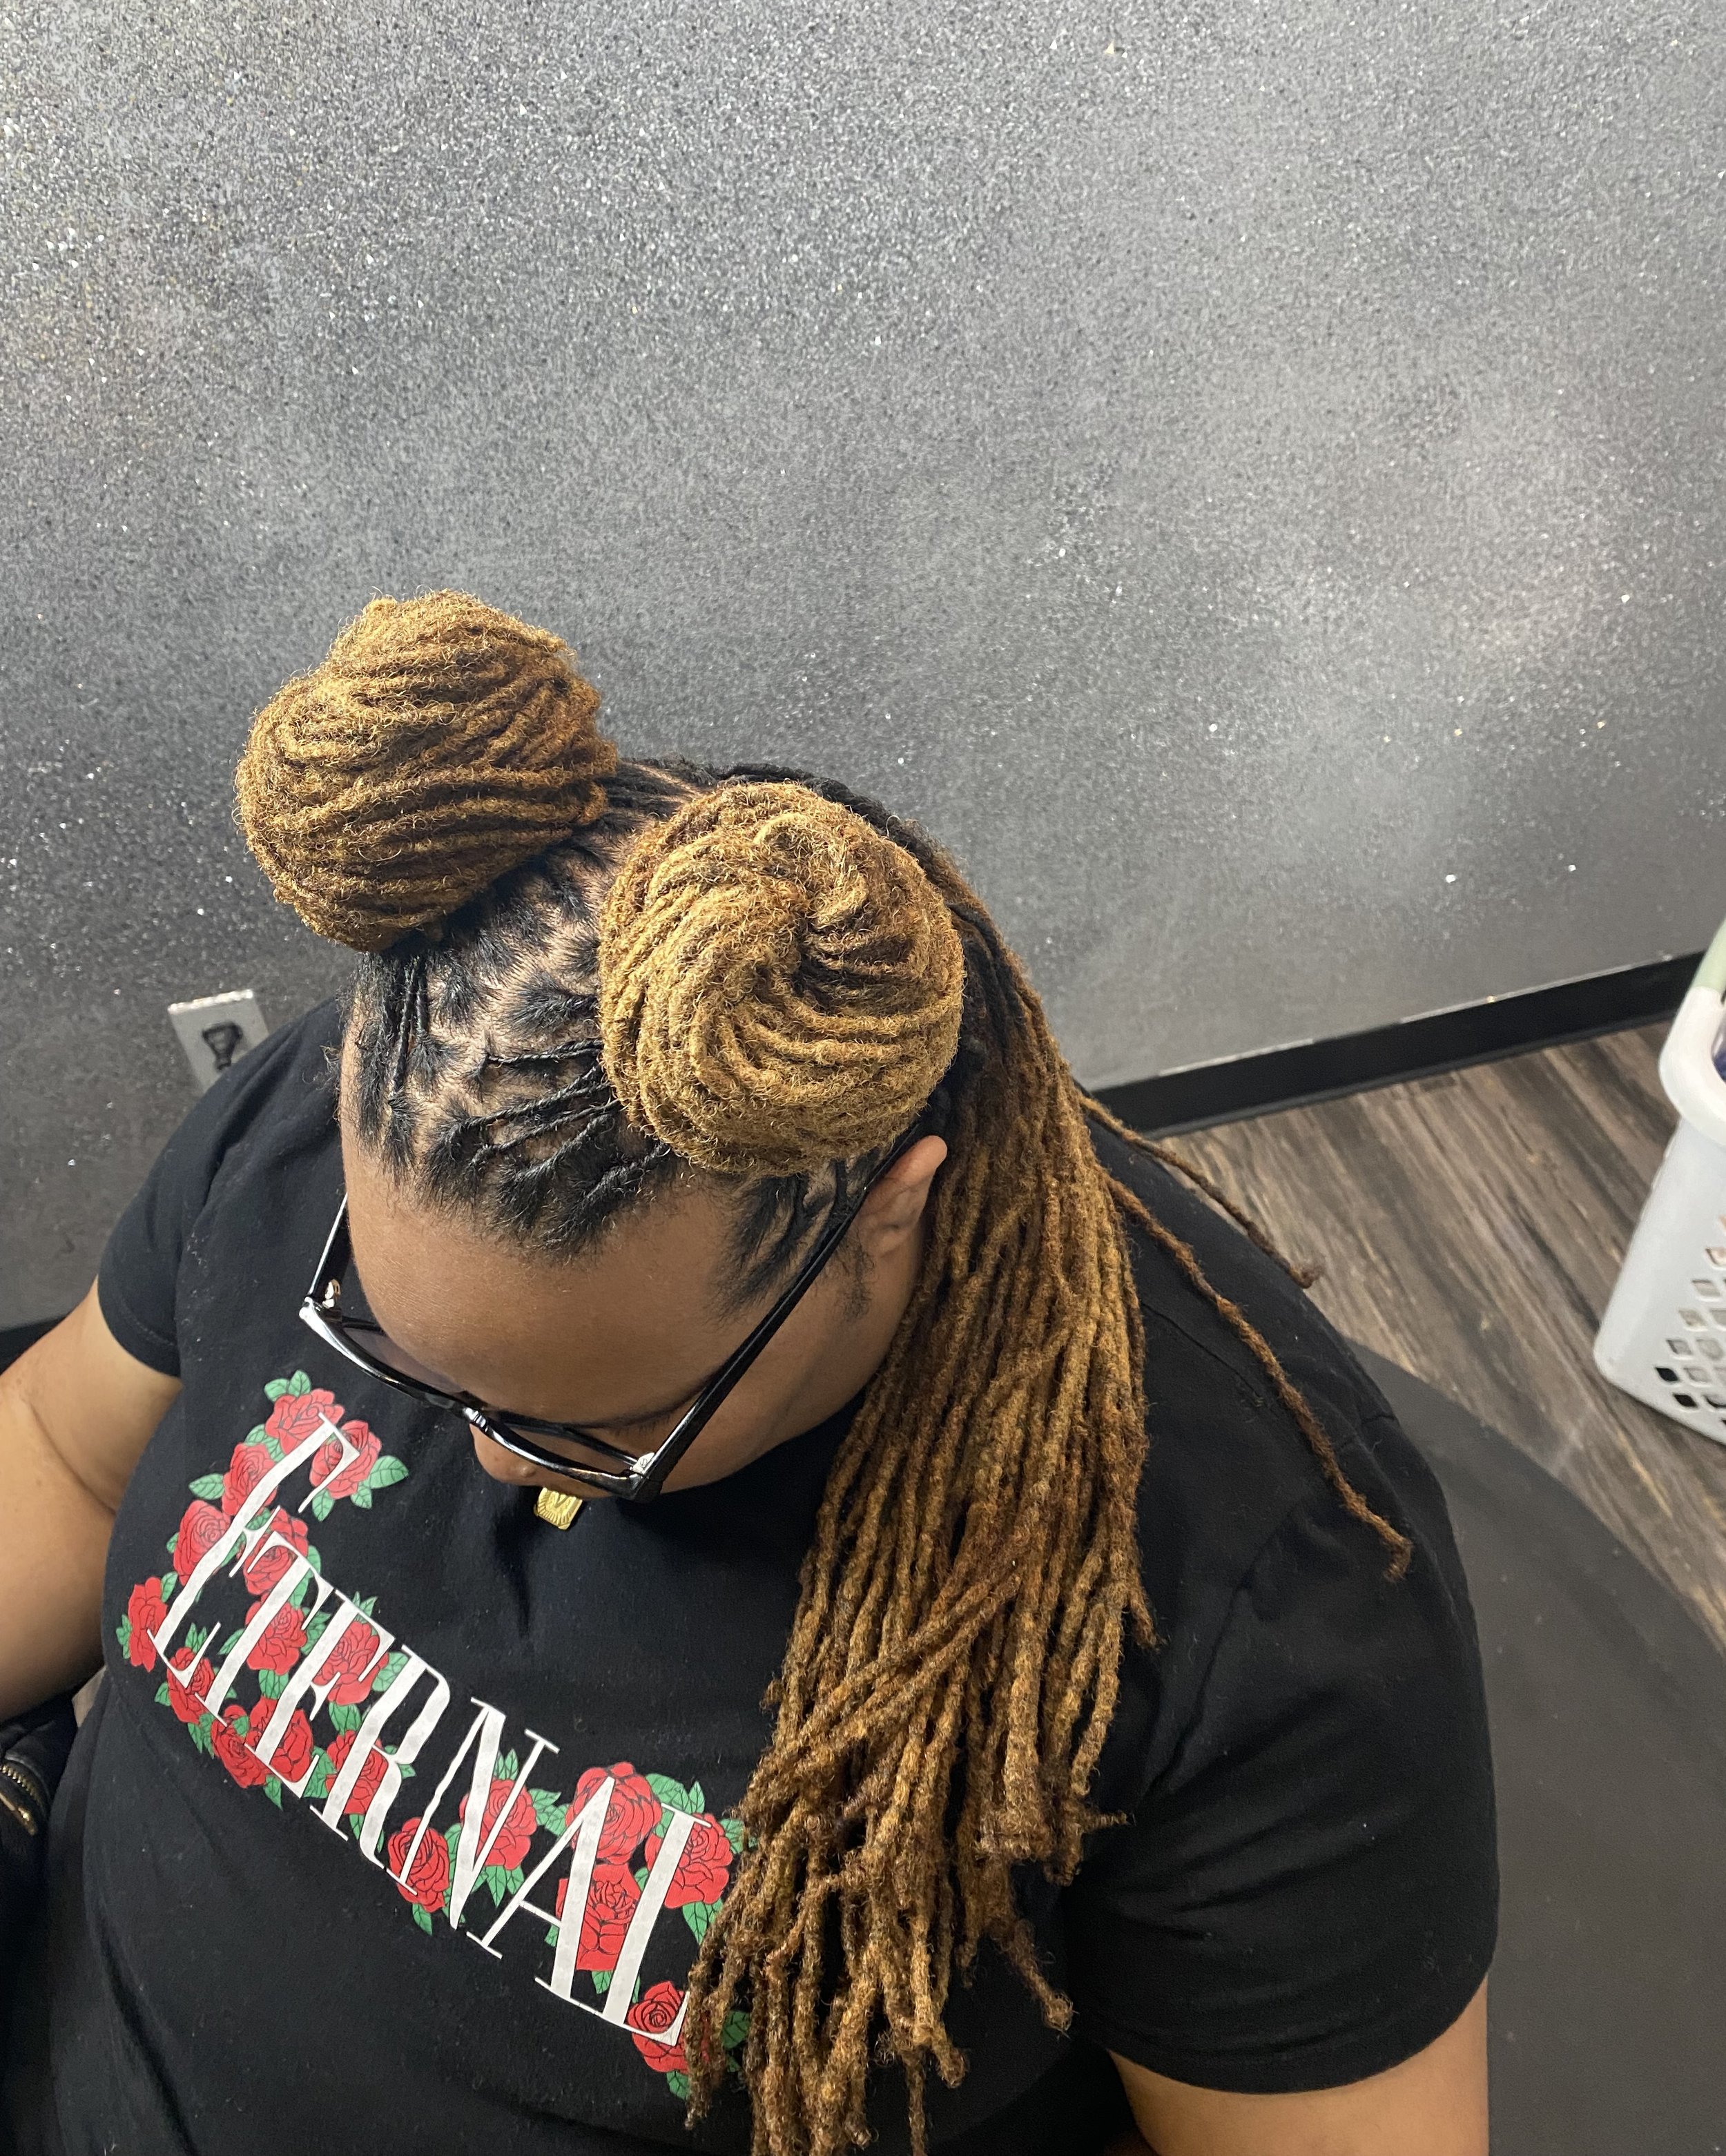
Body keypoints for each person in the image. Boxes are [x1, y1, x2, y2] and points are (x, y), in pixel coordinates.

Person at [0, 592, 1496, 2156]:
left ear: (888, 1212)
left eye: (595, 1423)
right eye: (388, 1344)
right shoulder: (420, 1092)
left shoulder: (1244, 1594)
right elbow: (62, 1447)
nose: (490, 1467)